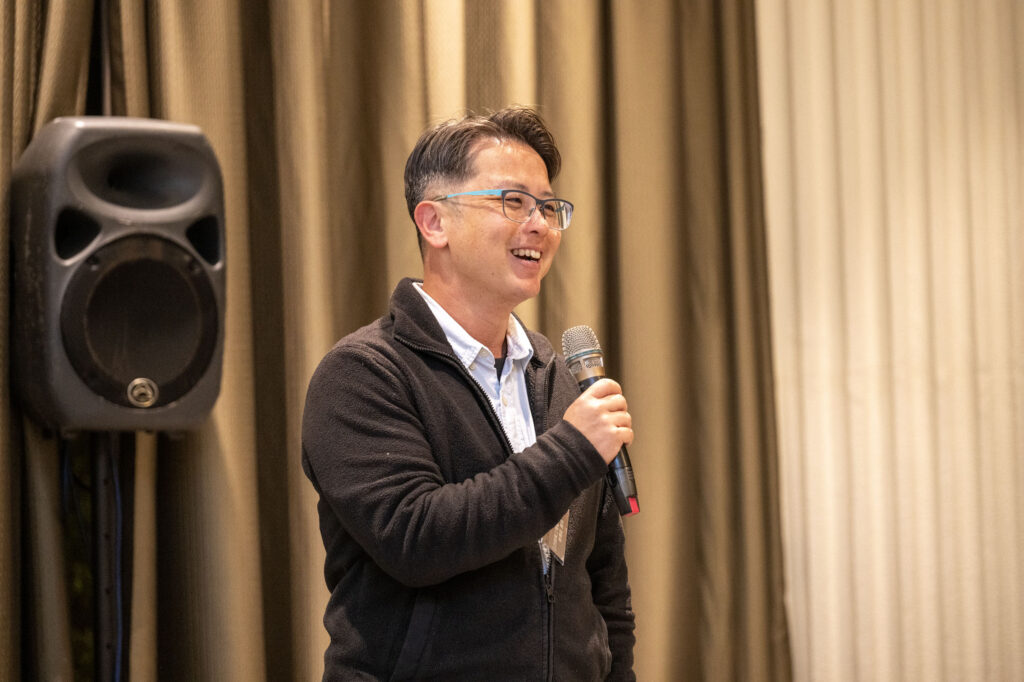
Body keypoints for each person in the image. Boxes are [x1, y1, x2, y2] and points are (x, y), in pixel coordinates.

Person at [302, 106, 636, 681]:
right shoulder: (362, 374)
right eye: (513, 201)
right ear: (434, 222)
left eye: (548, 207)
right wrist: (572, 451)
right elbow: (416, 538)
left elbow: (602, 579)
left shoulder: (557, 377)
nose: (539, 225)